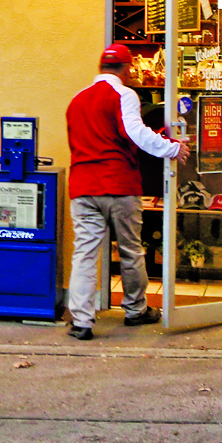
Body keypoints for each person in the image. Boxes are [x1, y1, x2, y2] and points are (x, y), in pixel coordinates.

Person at [65, 43, 184, 340]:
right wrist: (171, 148)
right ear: (127, 68)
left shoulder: (76, 100)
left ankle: (81, 321)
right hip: (118, 185)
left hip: (83, 188)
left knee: (84, 254)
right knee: (131, 249)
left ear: (100, 67)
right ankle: (135, 310)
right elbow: (135, 131)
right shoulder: (124, 95)